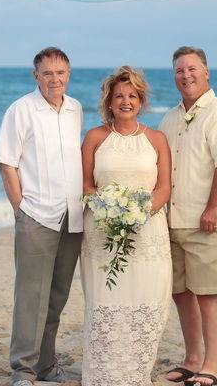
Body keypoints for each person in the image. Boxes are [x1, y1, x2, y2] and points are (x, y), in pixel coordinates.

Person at [0, 47, 83, 386]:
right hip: (36, 216)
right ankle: (23, 370)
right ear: (36, 76)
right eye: (47, 73)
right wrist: (21, 210)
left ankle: (47, 365)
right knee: (31, 297)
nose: (54, 79)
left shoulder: (75, 109)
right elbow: (7, 162)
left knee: (57, 295)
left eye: (60, 73)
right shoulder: (21, 110)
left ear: (68, 74)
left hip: (71, 217)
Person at [80, 66, 172, 386]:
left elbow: (164, 188)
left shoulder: (157, 139)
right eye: (118, 95)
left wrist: (137, 212)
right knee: (106, 300)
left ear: (141, 100)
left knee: (146, 299)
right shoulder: (94, 137)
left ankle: (135, 373)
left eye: (132, 95)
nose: (125, 101)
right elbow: (86, 185)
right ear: (108, 101)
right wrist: (109, 211)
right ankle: (103, 373)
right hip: (102, 232)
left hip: (147, 232)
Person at [159, 47, 217, 386]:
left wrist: (212, 208)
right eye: (179, 70)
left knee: (207, 294)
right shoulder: (170, 118)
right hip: (174, 220)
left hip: (209, 221)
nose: (186, 75)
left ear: (207, 73)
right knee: (181, 293)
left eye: (192, 68)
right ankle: (192, 359)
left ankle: (212, 365)